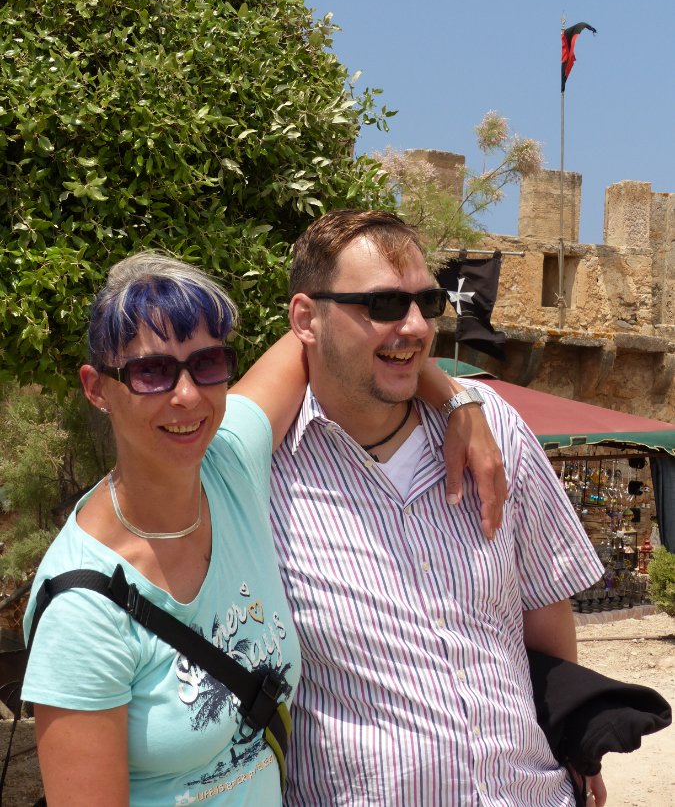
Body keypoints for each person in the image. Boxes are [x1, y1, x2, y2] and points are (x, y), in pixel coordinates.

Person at [21, 249, 504, 805]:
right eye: (151, 372)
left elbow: (330, 336)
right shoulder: (82, 610)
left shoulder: (229, 465)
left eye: (208, 364)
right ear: (97, 388)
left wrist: (457, 399)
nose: (187, 395)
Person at [269, 209, 608, 806]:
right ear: (306, 319)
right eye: (383, 305)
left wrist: (574, 739)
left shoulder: (495, 428)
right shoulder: (266, 471)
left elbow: (545, 606)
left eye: (427, 302)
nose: (415, 326)